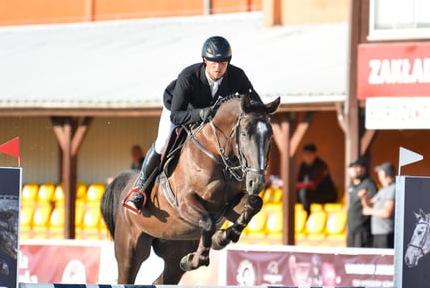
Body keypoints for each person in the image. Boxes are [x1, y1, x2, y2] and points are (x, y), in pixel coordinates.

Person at [123, 35, 261, 214]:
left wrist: (263, 112)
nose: (218, 67)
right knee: (163, 142)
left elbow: (253, 102)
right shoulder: (188, 76)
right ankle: (140, 189)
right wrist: (201, 113)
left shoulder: (237, 76)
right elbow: (176, 116)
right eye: (213, 62)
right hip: (178, 109)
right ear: (205, 60)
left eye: (223, 63)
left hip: (208, 116)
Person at [360, 161, 396, 249]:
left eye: (380, 173)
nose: (378, 175)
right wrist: (363, 197)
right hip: (378, 232)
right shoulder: (383, 190)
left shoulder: (393, 188)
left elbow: (387, 212)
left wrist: (370, 211)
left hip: (386, 232)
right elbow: (369, 204)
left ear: (385, 175)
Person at [295, 143, 337, 215]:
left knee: (304, 192)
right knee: (294, 194)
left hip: (326, 194)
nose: (307, 156)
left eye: (309, 154)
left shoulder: (321, 165)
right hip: (311, 194)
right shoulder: (303, 166)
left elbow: (314, 184)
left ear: (314, 154)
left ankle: (307, 215)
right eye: (305, 154)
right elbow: (299, 180)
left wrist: (296, 185)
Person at [346, 157, 377, 248]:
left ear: (364, 169)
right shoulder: (350, 185)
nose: (355, 169)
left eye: (358, 166)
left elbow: (375, 202)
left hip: (363, 229)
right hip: (351, 229)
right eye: (352, 167)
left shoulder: (369, 183)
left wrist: (365, 198)